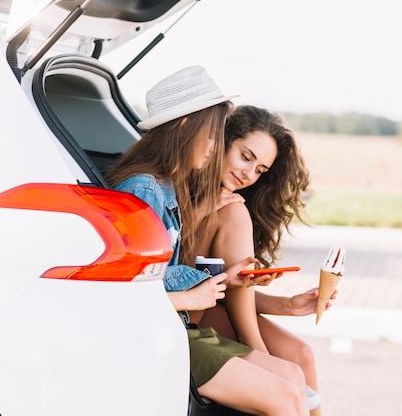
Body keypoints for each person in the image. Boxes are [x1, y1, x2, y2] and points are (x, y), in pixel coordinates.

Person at [105, 66, 309, 415]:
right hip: (161, 332)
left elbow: (164, 269)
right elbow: (128, 290)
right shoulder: (143, 190)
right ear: (186, 128)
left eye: (260, 169)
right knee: (286, 395)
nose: (215, 149)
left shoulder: (166, 188)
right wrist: (192, 294)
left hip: (178, 325)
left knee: (292, 374)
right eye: (214, 138)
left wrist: (227, 280)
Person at [195, 105, 334, 415]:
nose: (248, 174)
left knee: (302, 354)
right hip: (187, 315)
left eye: (260, 170)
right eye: (246, 157)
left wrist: (286, 305)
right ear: (222, 141)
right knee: (286, 374)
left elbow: (227, 288)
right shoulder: (195, 190)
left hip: (206, 307)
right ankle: (257, 350)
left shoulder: (229, 200)